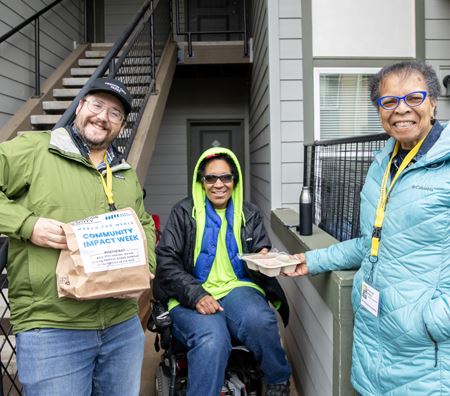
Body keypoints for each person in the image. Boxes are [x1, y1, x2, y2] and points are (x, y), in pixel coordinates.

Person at [287, 60, 450, 395]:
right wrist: (313, 261)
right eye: (389, 102)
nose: (401, 109)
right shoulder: (382, 163)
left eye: (414, 98)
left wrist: (434, 320)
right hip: (373, 337)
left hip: (425, 353)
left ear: (433, 102)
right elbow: (372, 243)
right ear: (379, 111)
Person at [0, 77, 156, 396]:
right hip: (54, 326)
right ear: (80, 106)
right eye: (97, 105)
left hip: (122, 326)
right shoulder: (35, 150)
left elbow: (144, 223)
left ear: (121, 125)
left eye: (115, 113)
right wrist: (27, 224)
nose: (103, 117)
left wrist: (146, 267)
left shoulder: (124, 173)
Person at [153, 147, 292, 396]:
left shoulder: (249, 214)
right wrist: (196, 295)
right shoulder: (183, 213)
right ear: (201, 181)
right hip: (190, 291)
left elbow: (261, 249)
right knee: (211, 338)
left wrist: (263, 257)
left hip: (238, 287)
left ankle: (278, 380)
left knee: (259, 320)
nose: (219, 184)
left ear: (234, 180)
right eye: (211, 178)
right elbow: (166, 261)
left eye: (226, 177)